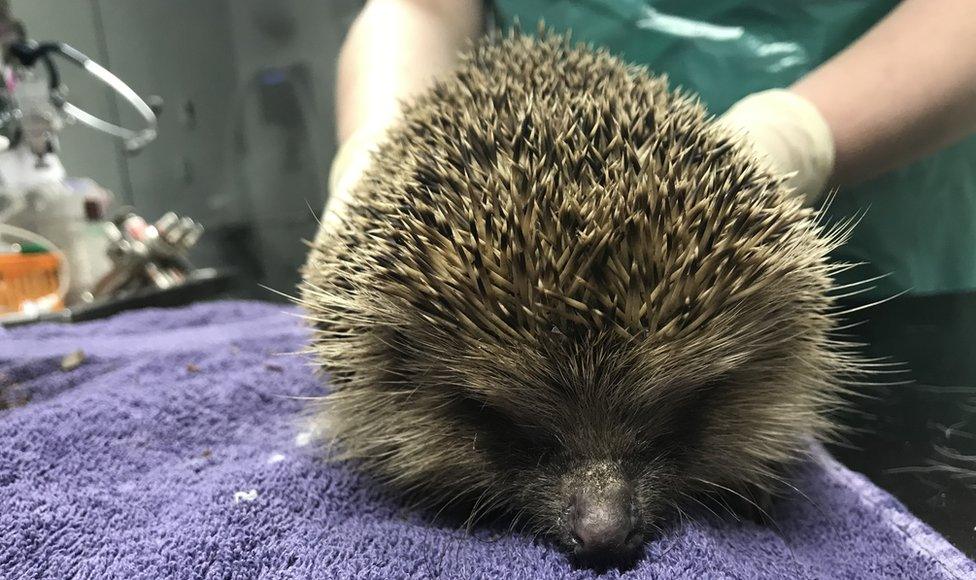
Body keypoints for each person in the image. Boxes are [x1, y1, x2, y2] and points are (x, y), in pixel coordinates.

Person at [329, 0, 976, 299]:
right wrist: (378, 152)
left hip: (902, 230)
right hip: (492, 238)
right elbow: (421, 6)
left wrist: (795, 134)